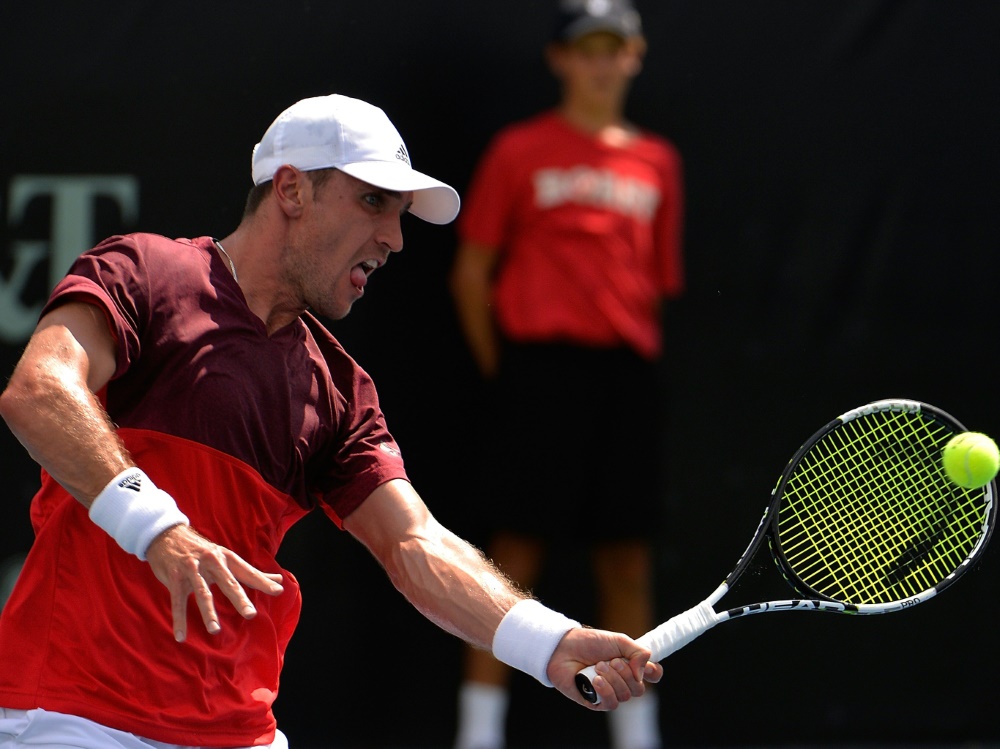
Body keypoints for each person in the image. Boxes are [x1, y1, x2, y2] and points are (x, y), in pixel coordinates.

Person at [0, 93, 664, 749]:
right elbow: (38, 390)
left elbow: (413, 544)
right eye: (374, 201)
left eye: (401, 214)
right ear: (291, 189)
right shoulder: (147, 272)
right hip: (70, 718)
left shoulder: (339, 388)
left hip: (238, 731)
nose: (395, 239)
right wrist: (158, 529)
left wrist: (549, 642)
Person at [449, 2, 684, 748]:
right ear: (560, 60)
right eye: (587, 49)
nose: (601, 63)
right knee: (512, 558)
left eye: (615, 48)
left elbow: (658, 282)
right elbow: (471, 274)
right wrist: (510, 373)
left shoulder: (658, 162)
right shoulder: (518, 151)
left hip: (624, 378)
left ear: (636, 55)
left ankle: (635, 735)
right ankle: (479, 734)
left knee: (626, 557)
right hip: (536, 375)